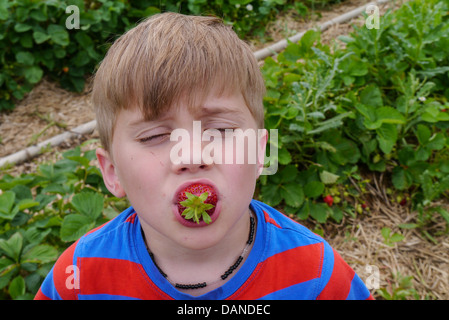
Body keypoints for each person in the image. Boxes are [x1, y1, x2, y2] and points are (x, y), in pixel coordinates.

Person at [35, 12, 373, 300]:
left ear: (260, 154)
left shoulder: (315, 274)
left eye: (221, 131)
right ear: (113, 173)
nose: (192, 155)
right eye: (155, 135)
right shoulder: (79, 278)